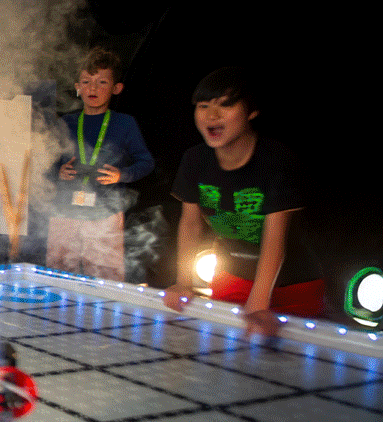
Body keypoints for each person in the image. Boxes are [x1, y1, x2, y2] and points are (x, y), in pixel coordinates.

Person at [163, 67, 324, 337]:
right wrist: (183, 283)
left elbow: (274, 239)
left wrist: (259, 303)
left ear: (252, 111)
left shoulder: (276, 161)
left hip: (293, 286)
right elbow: (190, 224)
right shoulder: (194, 160)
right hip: (231, 278)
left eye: (225, 105)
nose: (212, 115)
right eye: (203, 106)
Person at [47, 48, 154, 282]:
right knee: (58, 274)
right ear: (78, 87)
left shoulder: (125, 123)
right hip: (64, 211)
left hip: (105, 212)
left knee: (106, 278)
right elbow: (46, 163)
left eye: (102, 82)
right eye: (86, 82)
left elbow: (146, 162)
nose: (92, 88)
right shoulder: (67, 122)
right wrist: (59, 172)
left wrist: (122, 175)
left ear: (117, 88)